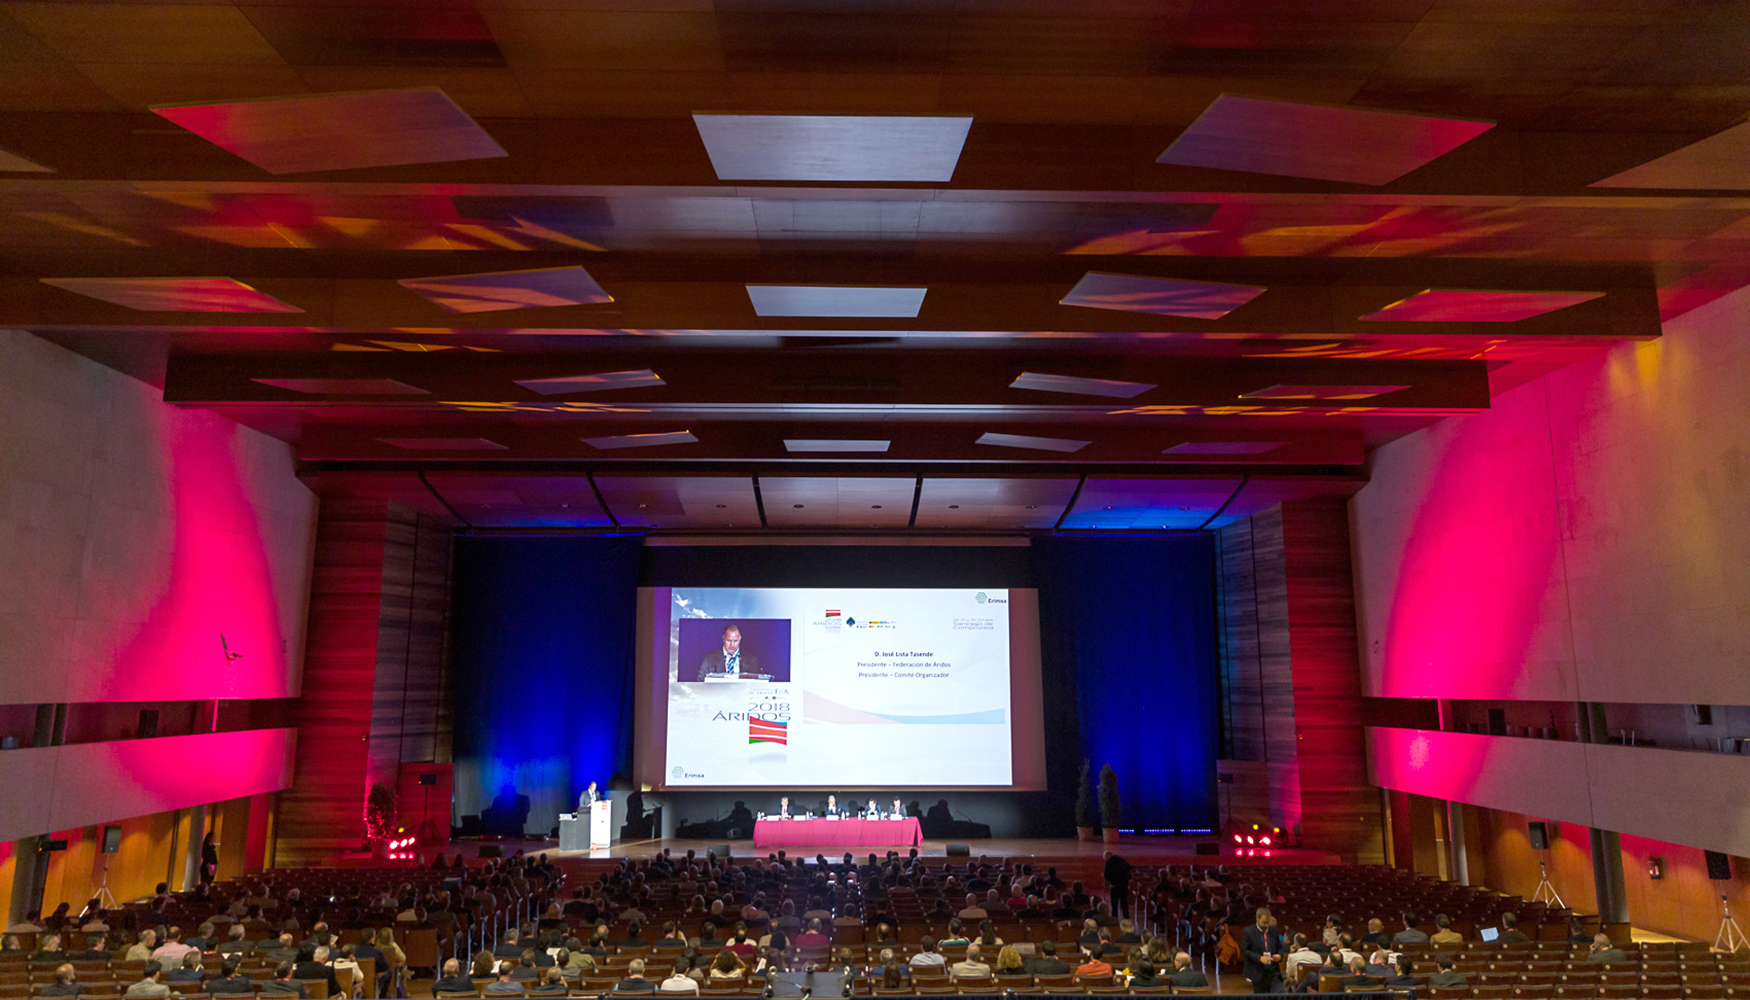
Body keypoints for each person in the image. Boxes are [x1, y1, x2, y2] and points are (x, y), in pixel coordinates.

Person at [1240, 906, 1284, 994]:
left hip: (1273, 970)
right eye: (1264, 923)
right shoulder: (1249, 931)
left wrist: (1279, 955)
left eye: (1268, 923)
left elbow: (1280, 947)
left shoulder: (1273, 931)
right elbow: (1244, 950)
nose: (1266, 925)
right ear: (1257, 919)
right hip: (1257, 971)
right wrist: (1259, 958)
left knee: (1278, 994)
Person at [1103, 852, 1132, 918]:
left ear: (1107, 857)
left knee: (1114, 906)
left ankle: (1114, 922)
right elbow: (1129, 870)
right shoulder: (1122, 860)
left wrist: (1112, 880)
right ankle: (1127, 920)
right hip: (1124, 887)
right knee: (1124, 905)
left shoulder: (1109, 862)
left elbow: (1106, 875)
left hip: (1114, 887)